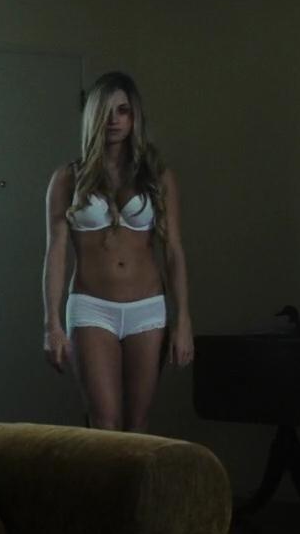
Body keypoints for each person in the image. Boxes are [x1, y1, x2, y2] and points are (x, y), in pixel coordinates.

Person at [41, 72, 193, 432]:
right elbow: (55, 253)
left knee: (138, 426)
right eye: (105, 111)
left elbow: (173, 250)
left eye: (123, 110)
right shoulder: (68, 178)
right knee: (104, 424)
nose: (114, 120)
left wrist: (183, 320)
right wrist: (52, 324)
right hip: (92, 308)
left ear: (134, 115)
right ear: (92, 116)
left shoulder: (158, 176)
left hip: (148, 308)